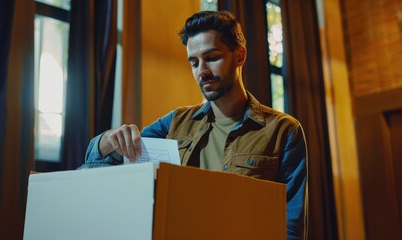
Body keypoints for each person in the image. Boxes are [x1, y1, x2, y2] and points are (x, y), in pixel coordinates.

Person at [80, 11, 307, 240]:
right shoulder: (175, 123)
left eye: (212, 57)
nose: (202, 71)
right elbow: (93, 170)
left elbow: (291, 227)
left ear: (239, 56)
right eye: (194, 62)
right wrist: (108, 141)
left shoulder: (284, 130)